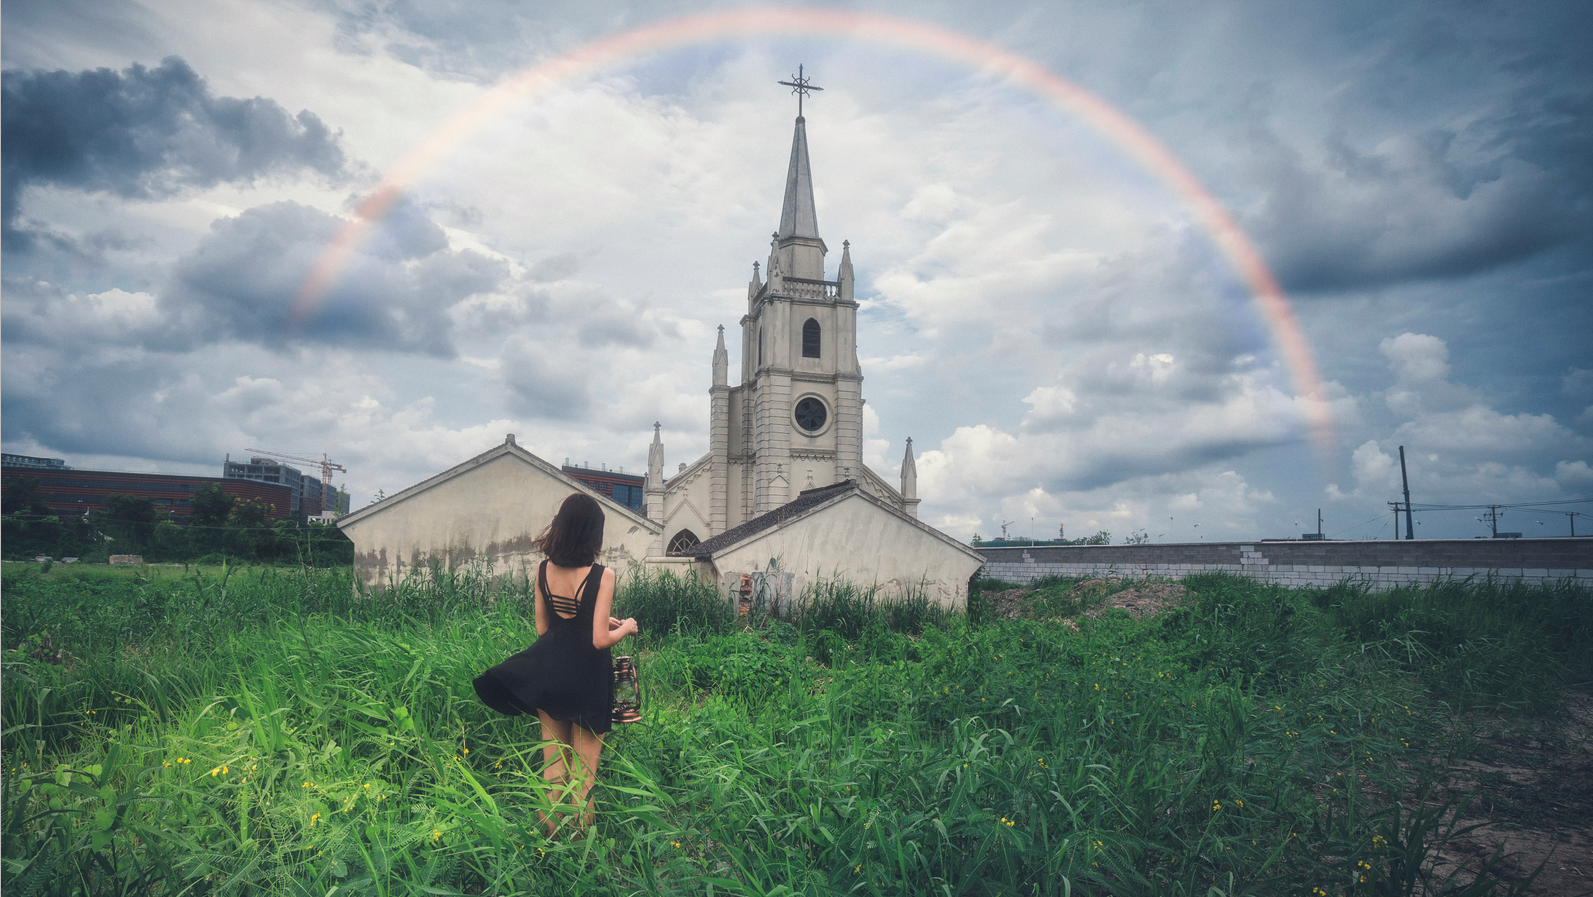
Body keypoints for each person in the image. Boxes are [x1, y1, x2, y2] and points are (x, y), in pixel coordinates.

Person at [473, 493, 638, 835]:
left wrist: (595, 623)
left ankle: (548, 844)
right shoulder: (602, 575)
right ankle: (579, 853)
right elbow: (596, 640)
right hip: (590, 678)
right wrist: (624, 627)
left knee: (554, 768)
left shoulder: (543, 569)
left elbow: (544, 629)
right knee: (584, 774)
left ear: (562, 526)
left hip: (551, 674)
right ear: (593, 533)